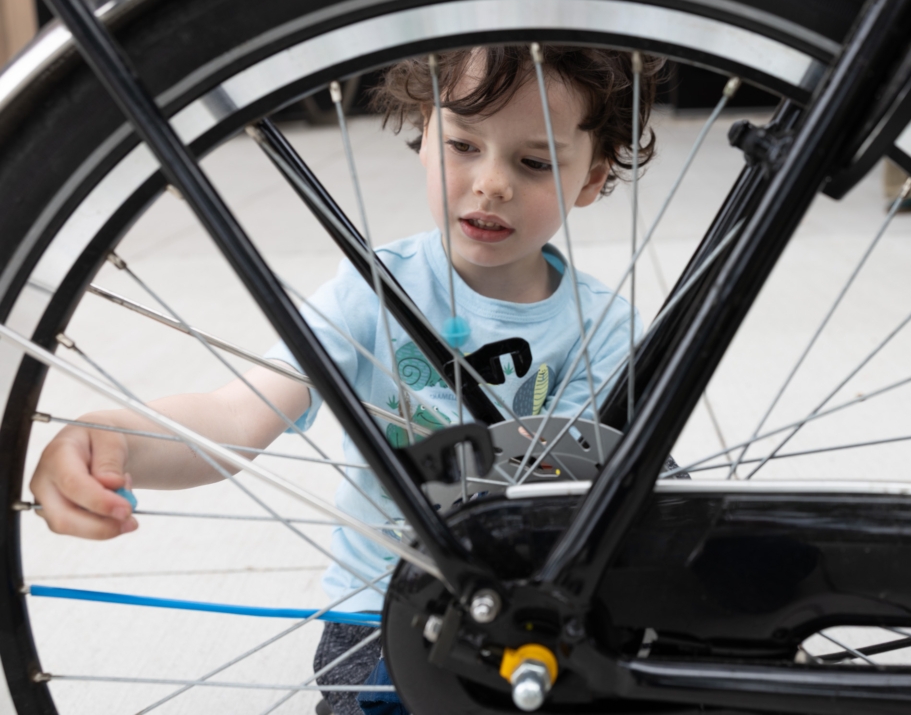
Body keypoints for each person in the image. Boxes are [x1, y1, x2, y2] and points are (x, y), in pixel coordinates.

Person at [27, 45, 661, 715]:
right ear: (423, 137)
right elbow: (237, 416)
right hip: (376, 615)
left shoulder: (604, 329)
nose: (492, 183)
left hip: (538, 617)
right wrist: (117, 438)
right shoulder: (370, 293)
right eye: (462, 145)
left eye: (534, 162)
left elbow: (590, 499)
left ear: (592, 178)